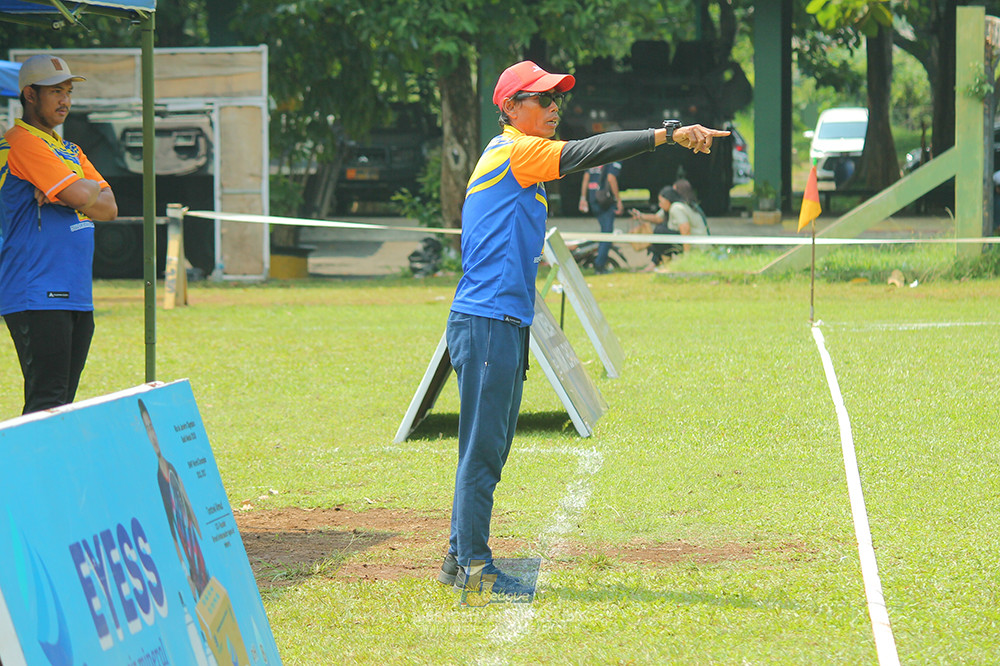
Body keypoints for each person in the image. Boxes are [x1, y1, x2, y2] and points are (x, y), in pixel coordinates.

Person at [437, 60, 728, 596]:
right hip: (486, 322)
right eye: (542, 99)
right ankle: (474, 567)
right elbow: (589, 151)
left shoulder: (514, 157)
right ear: (509, 107)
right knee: (484, 450)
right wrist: (666, 134)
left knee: (488, 448)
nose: (553, 109)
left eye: (557, 101)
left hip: (497, 320)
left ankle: (460, 557)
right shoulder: (515, 152)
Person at [0, 54, 117, 414]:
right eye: (55, 92)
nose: (65, 100)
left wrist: (63, 191)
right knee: (46, 401)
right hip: (36, 290)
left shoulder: (69, 149)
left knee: (62, 403)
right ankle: (20, 472)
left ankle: (38, 472)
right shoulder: (23, 142)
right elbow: (87, 196)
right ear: (30, 95)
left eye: (67, 91)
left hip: (76, 292)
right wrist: (78, 191)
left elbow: (110, 207)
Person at [629, 185, 708, 269]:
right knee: (661, 230)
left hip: (695, 242)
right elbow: (657, 218)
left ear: (668, 200)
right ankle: (659, 263)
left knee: (660, 232)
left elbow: (686, 230)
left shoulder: (676, 208)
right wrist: (641, 216)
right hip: (688, 239)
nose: (659, 205)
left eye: (661, 202)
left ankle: (663, 263)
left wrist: (686, 256)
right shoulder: (670, 207)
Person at [579, 161, 624, 273]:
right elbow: (611, 178)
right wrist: (618, 200)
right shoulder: (616, 157)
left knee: (605, 230)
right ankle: (599, 265)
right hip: (605, 201)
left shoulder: (596, 154)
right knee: (607, 233)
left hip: (593, 198)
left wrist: (583, 198)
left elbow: (586, 177)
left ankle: (600, 261)